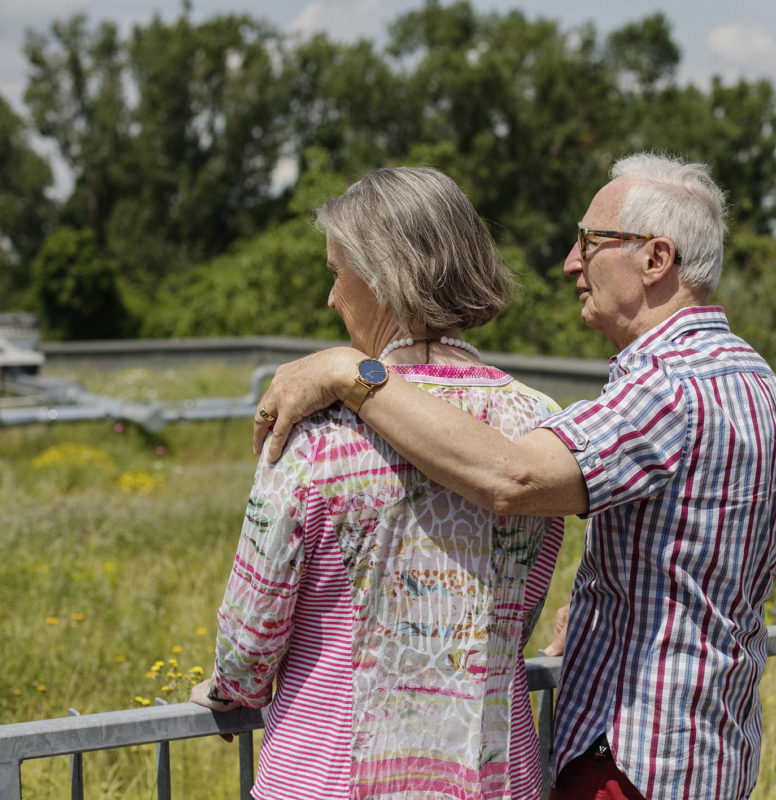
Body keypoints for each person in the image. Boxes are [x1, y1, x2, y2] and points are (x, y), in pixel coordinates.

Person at [253, 152, 776, 800]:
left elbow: (512, 479)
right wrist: (609, 606)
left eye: (590, 242)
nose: (572, 263)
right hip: (714, 749)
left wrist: (351, 373)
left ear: (656, 260)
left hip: (630, 764)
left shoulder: (668, 390)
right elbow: (701, 556)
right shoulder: (766, 390)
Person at [190, 166, 565, 800]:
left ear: (383, 279)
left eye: (338, 273)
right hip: (496, 776)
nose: (332, 299)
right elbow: (521, 606)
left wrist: (230, 688)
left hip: (329, 774)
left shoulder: (315, 427)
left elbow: (253, 638)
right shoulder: (543, 423)